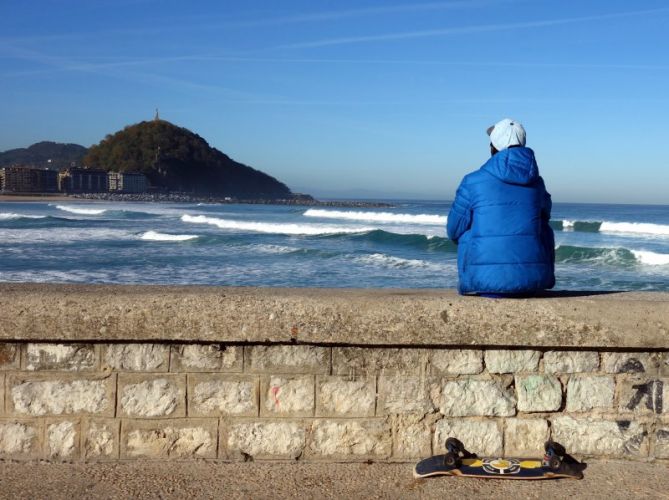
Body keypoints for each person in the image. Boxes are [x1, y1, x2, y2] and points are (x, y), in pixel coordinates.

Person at [446, 118, 555, 296]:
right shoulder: (538, 184)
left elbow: (453, 230)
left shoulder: (472, 181)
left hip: (484, 283)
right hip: (534, 282)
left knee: (466, 227)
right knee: (541, 225)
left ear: (494, 147)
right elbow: (546, 216)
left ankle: (479, 277)